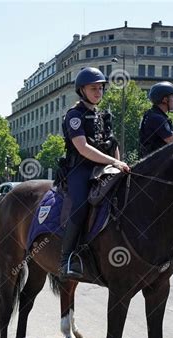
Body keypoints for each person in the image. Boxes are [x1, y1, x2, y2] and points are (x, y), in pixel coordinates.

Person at [60, 67, 130, 279]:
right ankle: (67, 260)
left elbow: (113, 143)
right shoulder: (74, 115)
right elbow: (82, 147)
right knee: (81, 205)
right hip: (80, 168)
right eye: (94, 88)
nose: (98, 92)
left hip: (103, 167)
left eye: (100, 88)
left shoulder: (103, 114)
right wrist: (113, 161)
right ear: (82, 90)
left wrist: (119, 163)